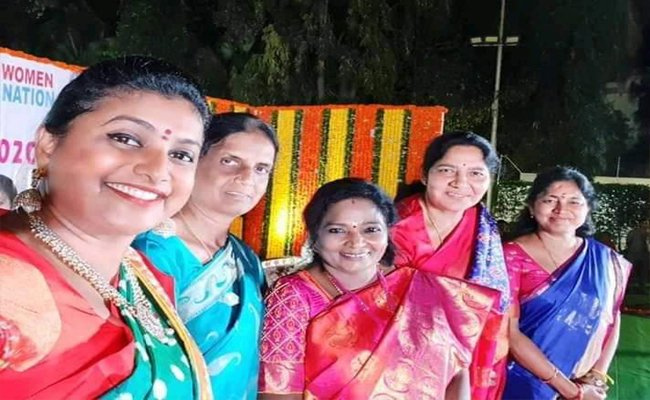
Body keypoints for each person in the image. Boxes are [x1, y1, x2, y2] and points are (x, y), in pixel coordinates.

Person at [0, 56, 213, 399]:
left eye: (181, 155)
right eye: (125, 138)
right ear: (48, 145)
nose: (157, 170)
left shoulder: (146, 280)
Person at [259, 178, 499, 399]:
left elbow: (455, 372)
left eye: (371, 229)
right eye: (337, 230)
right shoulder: (294, 294)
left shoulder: (419, 289)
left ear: (388, 233)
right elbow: (277, 391)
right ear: (314, 237)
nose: (356, 241)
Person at [133, 112, 278, 399]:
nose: (247, 178)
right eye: (230, 161)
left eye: (262, 168)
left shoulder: (246, 259)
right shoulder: (150, 251)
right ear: (194, 160)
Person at [391, 131, 511, 399]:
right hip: (401, 357)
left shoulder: (483, 227)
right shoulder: (395, 224)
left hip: (472, 354)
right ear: (425, 175)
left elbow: (498, 299)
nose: (461, 183)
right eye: (447, 170)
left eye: (476, 173)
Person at [503, 167, 631, 400]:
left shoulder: (604, 259)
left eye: (574, 201)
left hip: (585, 385)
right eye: (550, 200)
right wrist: (572, 391)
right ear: (531, 206)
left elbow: (611, 317)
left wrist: (596, 378)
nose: (561, 210)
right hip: (522, 384)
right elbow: (508, 332)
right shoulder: (509, 256)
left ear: (588, 208)